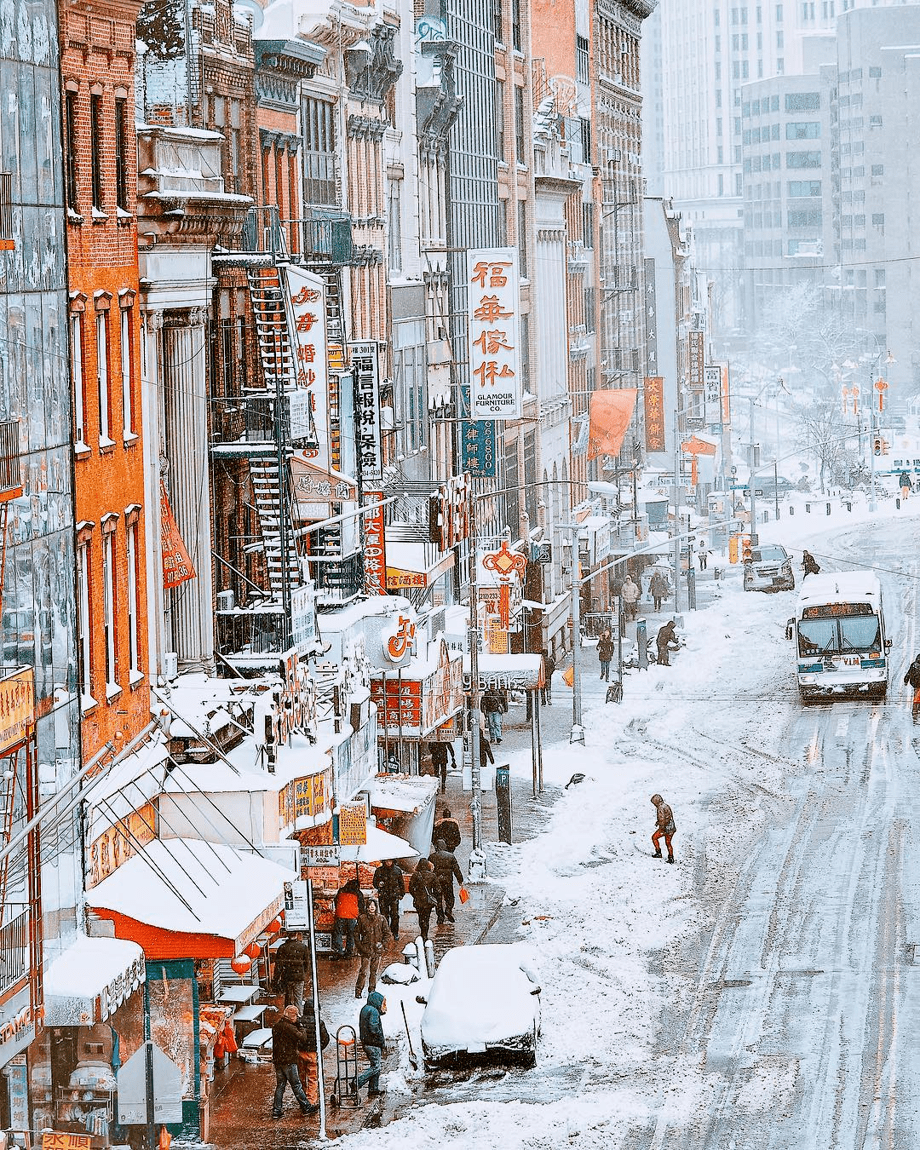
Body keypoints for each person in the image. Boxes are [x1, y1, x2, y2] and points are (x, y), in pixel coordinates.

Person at [271, 1005, 317, 1118]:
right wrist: (301, 1027)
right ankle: (306, 1106)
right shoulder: (290, 1028)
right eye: (296, 1015)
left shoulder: (277, 1026)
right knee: (296, 1085)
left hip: (278, 1060)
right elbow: (302, 1038)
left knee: (280, 1086)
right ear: (293, 1016)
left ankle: (277, 1110)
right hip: (289, 1060)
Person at [297, 998, 330, 1107]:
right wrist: (318, 1049)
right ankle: (311, 1100)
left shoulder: (299, 1021)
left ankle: (302, 1099)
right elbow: (325, 1039)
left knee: (301, 1077)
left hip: (300, 1053)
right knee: (312, 1078)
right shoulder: (319, 1022)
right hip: (313, 1054)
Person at [354, 898, 390, 998]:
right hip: (365, 949)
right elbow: (356, 934)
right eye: (370, 905)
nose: (372, 907)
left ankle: (372, 990)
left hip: (377, 950)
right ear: (367, 907)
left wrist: (382, 944)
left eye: (373, 905)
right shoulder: (362, 919)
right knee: (363, 971)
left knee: (373, 972)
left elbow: (387, 934)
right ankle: (358, 990)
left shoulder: (381, 919)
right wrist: (360, 946)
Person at [355, 991, 387, 1100]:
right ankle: (357, 1082)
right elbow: (373, 1028)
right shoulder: (373, 1011)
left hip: (366, 1042)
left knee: (375, 1065)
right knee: (376, 1067)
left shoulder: (366, 1009)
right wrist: (379, 1038)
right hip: (373, 1043)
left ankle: (373, 1088)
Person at [273, 931, 309, 1013]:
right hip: (299, 977)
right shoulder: (303, 947)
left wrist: (275, 979)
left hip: (287, 977)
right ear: (296, 934)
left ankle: (288, 1016)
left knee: (288, 998)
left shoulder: (282, 948)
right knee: (298, 998)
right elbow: (307, 963)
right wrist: (303, 973)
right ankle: (299, 1016)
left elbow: (279, 966)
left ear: (287, 935)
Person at [430, 838, 464, 924]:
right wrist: (460, 880)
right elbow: (457, 870)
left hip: (436, 881)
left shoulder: (432, 857)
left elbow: (429, 870)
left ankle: (440, 915)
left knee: (438, 898)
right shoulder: (451, 856)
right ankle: (448, 909)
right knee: (449, 897)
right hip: (447, 881)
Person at [331, 877, 365, 960]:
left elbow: (336, 901)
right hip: (352, 916)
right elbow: (361, 906)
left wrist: (339, 909)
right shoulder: (358, 893)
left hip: (340, 915)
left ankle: (339, 951)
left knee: (338, 933)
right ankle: (348, 953)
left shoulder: (341, 890)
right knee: (351, 935)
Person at [372, 859, 405, 942]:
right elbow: (375, 882)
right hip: (383, 896)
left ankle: (395, 932)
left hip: (394, 896)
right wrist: (378, 884)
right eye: (387, 861)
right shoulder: (379, 871)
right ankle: (385, 932)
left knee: (395, 915)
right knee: (384, 915)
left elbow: (401, 883)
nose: (388, 863)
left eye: (390, 861)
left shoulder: (397, 870)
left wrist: (401, 894)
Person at [408, 858, 439, 941]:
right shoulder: (432, 875)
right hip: (428, 900)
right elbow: (437, 889)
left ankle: (422, 932)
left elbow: (410, 887)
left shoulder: (416, 875)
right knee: (427, 917)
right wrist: (433, 896)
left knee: (421, 917)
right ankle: (425, 933)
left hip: (418, 900)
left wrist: (415, 895)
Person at [650, 793, 676, 863]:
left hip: (665, 828)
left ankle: (658, 852)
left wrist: (661, 826)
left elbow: (662, 819)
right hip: (671, 827)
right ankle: (671, 857)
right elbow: (668, 816)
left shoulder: (660, 808)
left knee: (654, 838)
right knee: (668, 843)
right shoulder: (666, 806)